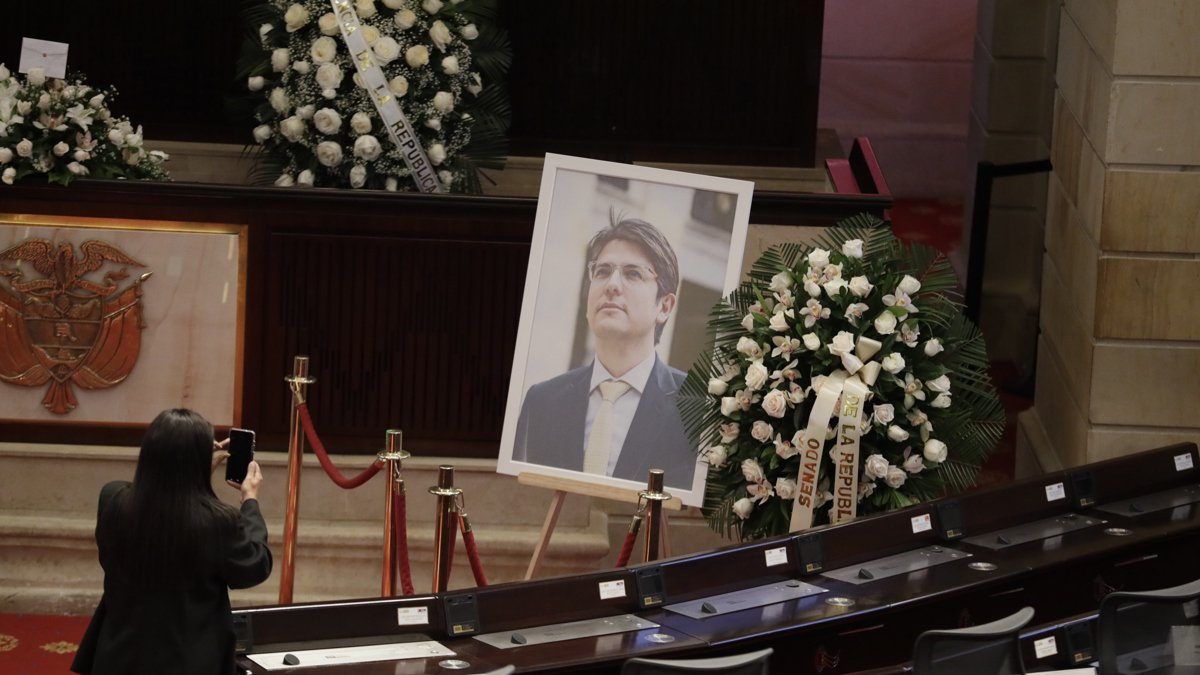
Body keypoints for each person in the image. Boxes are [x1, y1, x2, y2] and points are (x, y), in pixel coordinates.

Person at [71, 408, 272, 675]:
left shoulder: (112, 499)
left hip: (119, 656)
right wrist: (250, 501)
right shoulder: (217, 522)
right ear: (198, 463)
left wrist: (191, 469)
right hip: (189, 660)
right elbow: (255, 565)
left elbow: (151, 492)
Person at [513, 213, 698, 489]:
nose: (612, 285)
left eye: (633, 274)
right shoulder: (541, 401)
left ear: (665, 306)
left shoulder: (696, 407)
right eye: (602, 271)